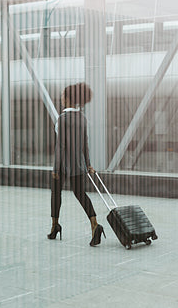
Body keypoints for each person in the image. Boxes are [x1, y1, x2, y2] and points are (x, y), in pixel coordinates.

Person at [47, 82, 105, 246]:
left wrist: (56, 167)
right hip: (78, 164)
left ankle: (54, 226)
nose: (61, 98)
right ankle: (94, 225)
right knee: (81, 194)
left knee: (56, 193)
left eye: (62, 96)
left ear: (68, 98)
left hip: (64, 165)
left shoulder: (62, 119)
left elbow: (61, 145)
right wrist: (88, 164)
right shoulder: (82, 118)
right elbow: (84, 144)